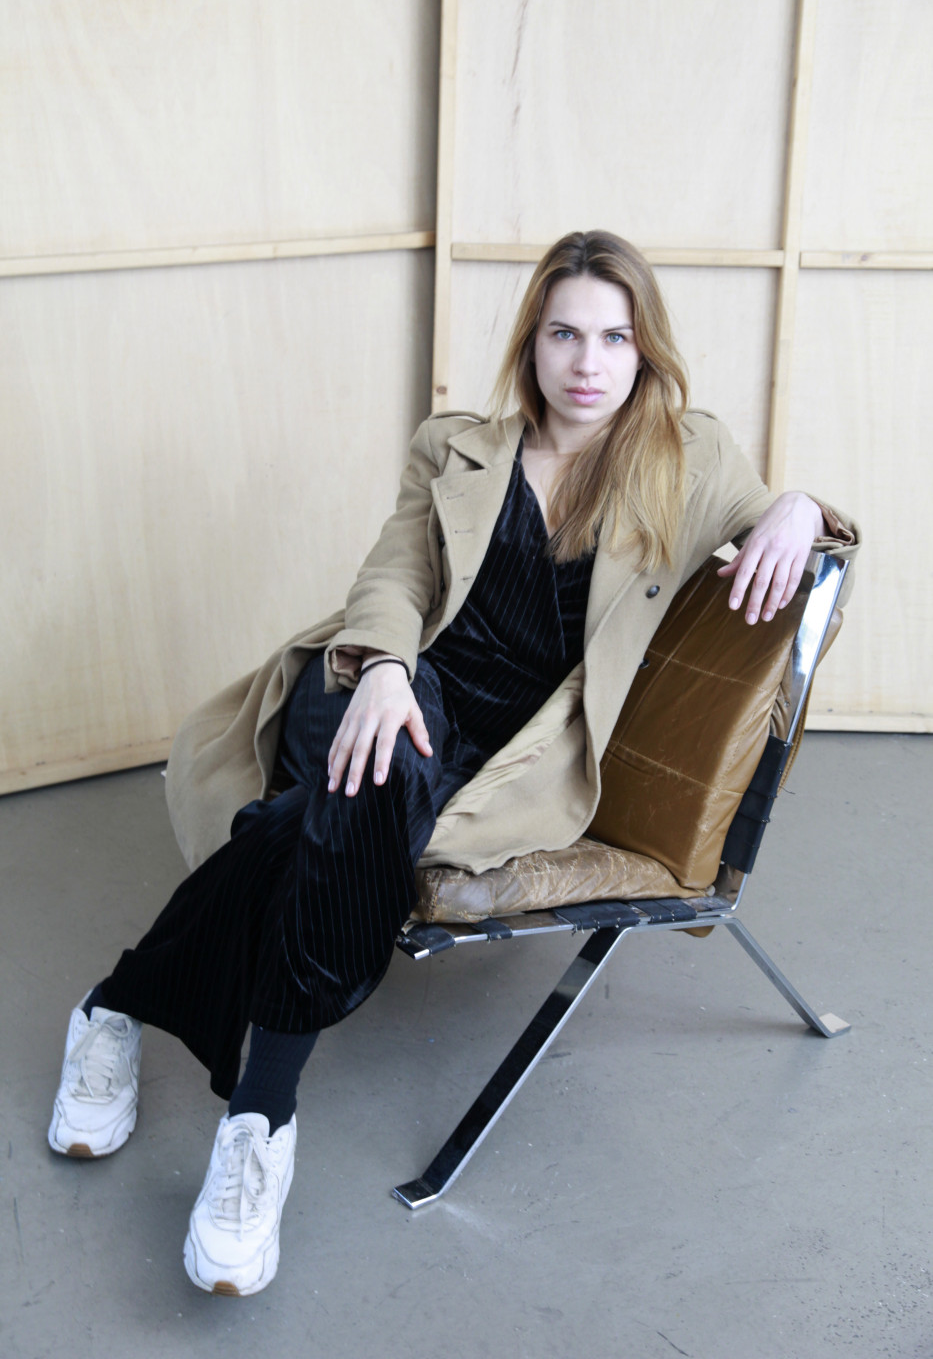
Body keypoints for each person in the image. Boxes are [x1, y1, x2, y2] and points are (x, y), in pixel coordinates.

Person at [47, 230, 859, 1297]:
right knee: (370, 771)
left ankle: (116, 1003)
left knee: (320, 829)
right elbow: (392, 574)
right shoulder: (456, 447)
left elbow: (784, 519)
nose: (587, 362)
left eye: (614, 337)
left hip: (517, 744)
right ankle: (261, 1120)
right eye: (564, 333)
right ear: (531, 344)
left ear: (645, 349)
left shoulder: (686, 457)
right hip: (390, 685)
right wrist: (385, 668)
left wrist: (802, 506)